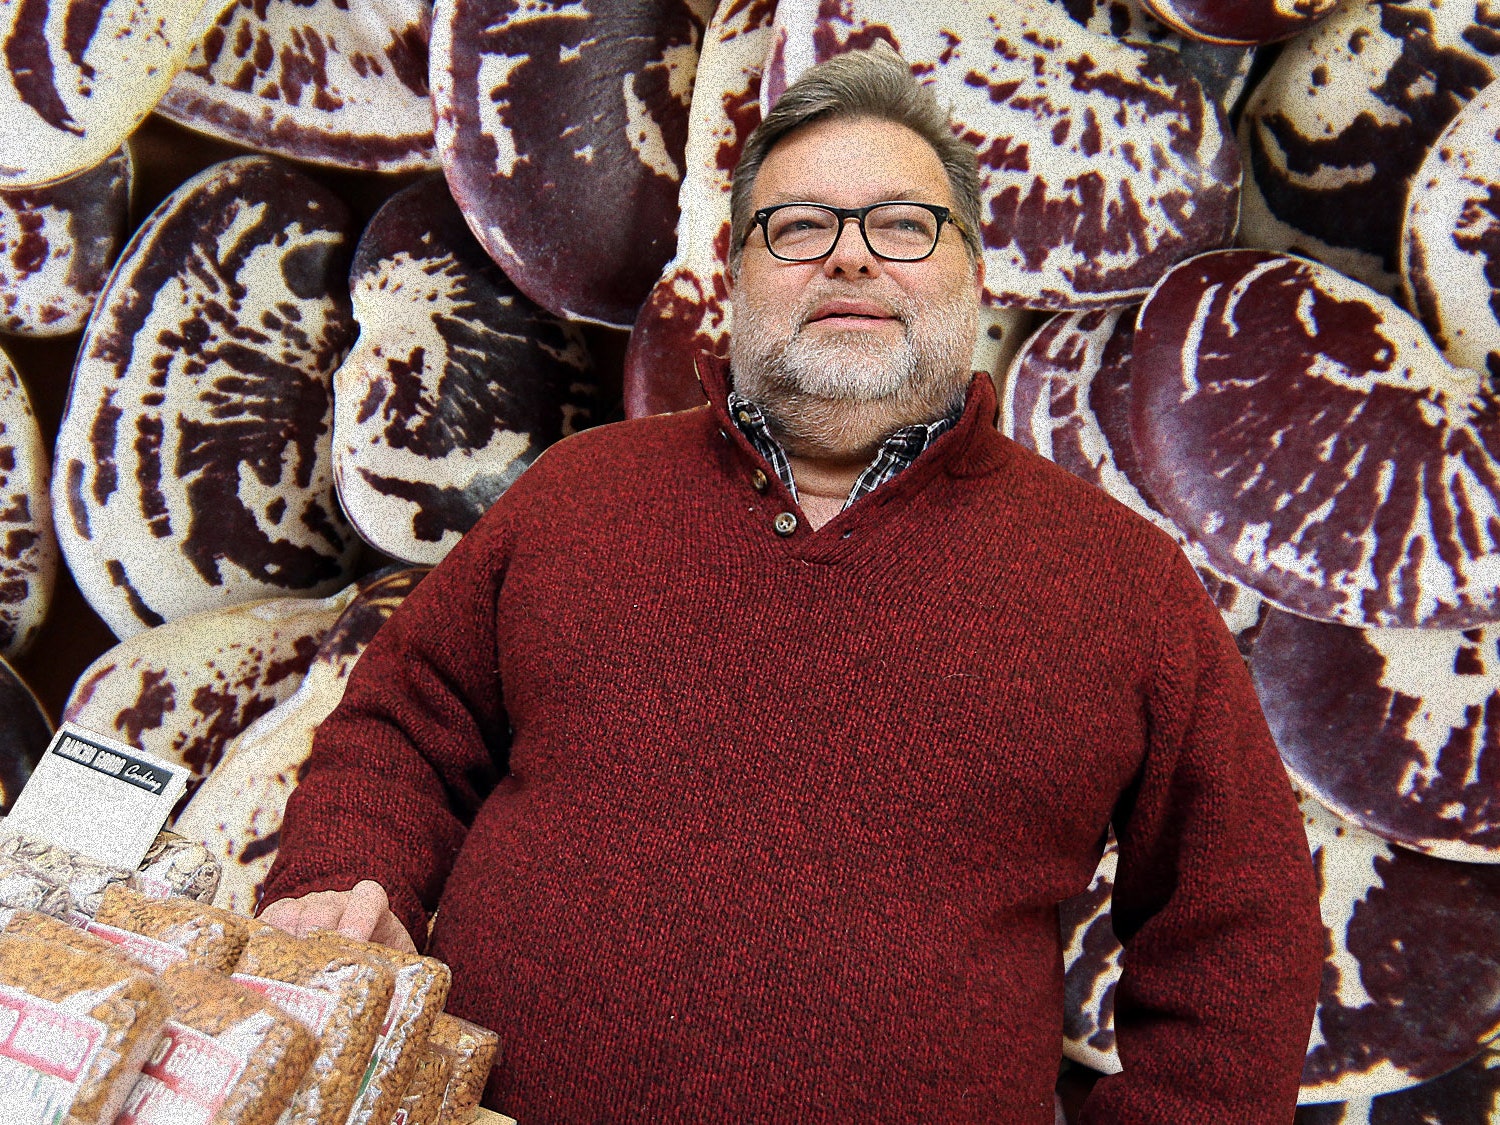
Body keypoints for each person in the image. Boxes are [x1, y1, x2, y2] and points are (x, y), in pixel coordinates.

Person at [260, 46, 1323, 1123]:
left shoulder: (1119, 581)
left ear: (973, 272)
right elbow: (406, 721)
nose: (850, 261)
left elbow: (1241, 927)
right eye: (799, 226)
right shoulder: (582, 491)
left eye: (903, 225)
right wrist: (349, 878)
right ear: (738, 276)